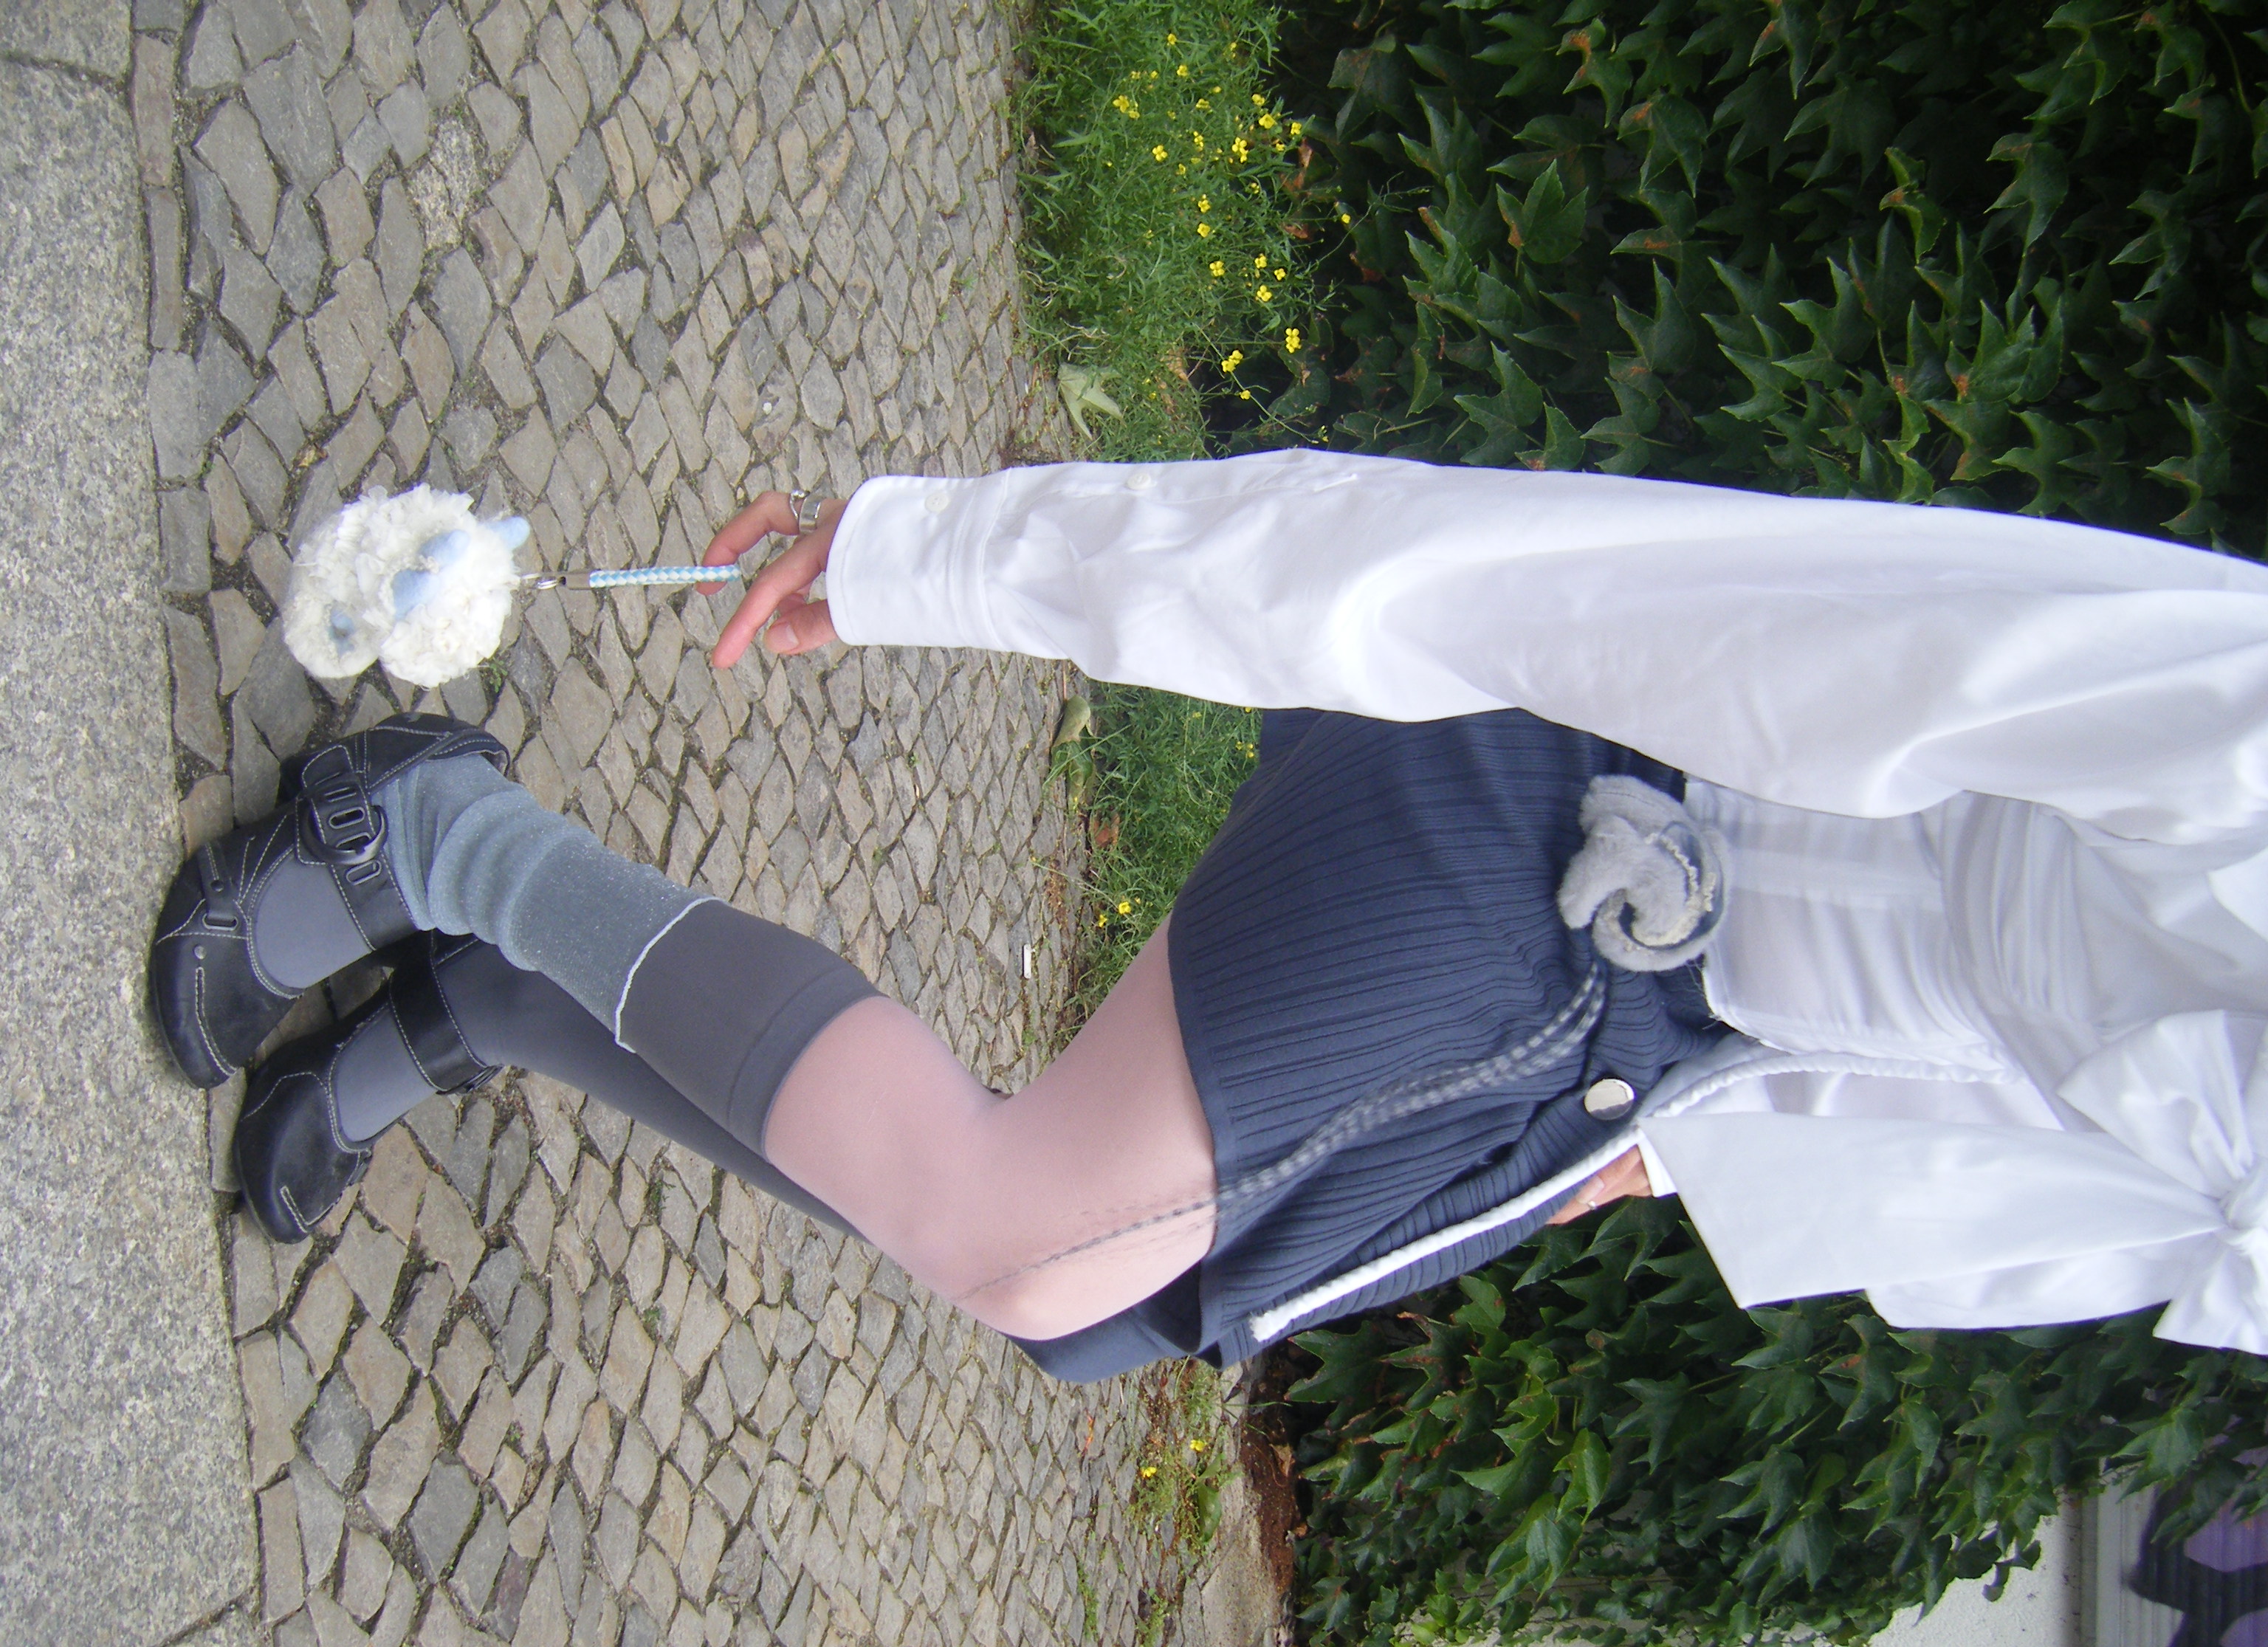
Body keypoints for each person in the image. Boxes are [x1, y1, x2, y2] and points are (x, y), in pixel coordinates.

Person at [152, 450, 2268, 1381]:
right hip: (1571, 797)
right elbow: (1601, 587)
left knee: (1059, 1300)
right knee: (1007, 1218)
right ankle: (430, 836)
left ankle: (498, 1007)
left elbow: (2014, 1168)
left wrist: (1654, 1161)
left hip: (1640, 1070)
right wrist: (934, 561)